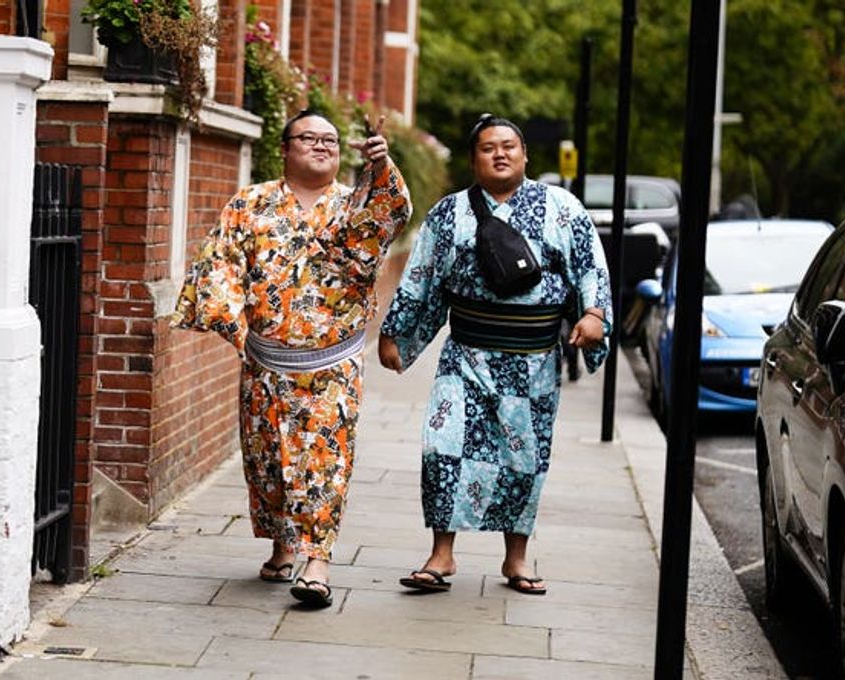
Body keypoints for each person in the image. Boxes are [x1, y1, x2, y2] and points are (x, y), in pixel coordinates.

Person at [172, 109, 411, 608]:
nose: (322, 145)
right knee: (269, 461)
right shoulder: (251, 205)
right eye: (309, 137)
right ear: (285, 147)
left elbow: (392, 212)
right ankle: (284, 545)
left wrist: (381, 168)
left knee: (325, 460)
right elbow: (219, 269)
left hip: (331, 364)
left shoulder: (354, 205)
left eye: (330, 140)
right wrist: (236, 330)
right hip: (265, 359)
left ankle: (316, 561)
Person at [377, 114, 611, 595]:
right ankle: (442, 555)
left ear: (526, 155)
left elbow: (591, 266)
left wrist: (594, 315)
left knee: (523, 459)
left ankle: (516, 558)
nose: (499, 154)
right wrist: (396, 333)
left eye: (509, 146)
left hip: (532, 361)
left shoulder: (562, 208)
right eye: (488, 148)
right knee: (442, 448)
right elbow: (421, 277)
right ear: (473, 159)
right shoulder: (448, 213)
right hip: (464, 354)